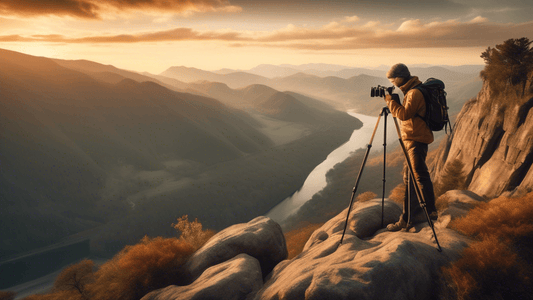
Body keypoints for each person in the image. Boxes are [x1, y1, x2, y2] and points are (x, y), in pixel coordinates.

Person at [383, 63, 438, 231]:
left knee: (419, 175)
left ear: (399, 78)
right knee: (409, 179)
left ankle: (430, 212)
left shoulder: (414, 93)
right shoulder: (412, 89)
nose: (392, 83)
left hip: (416, 139)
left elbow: (404, 115)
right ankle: (409, 218)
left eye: (392, 80)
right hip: (414, 138)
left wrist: (390, 101)